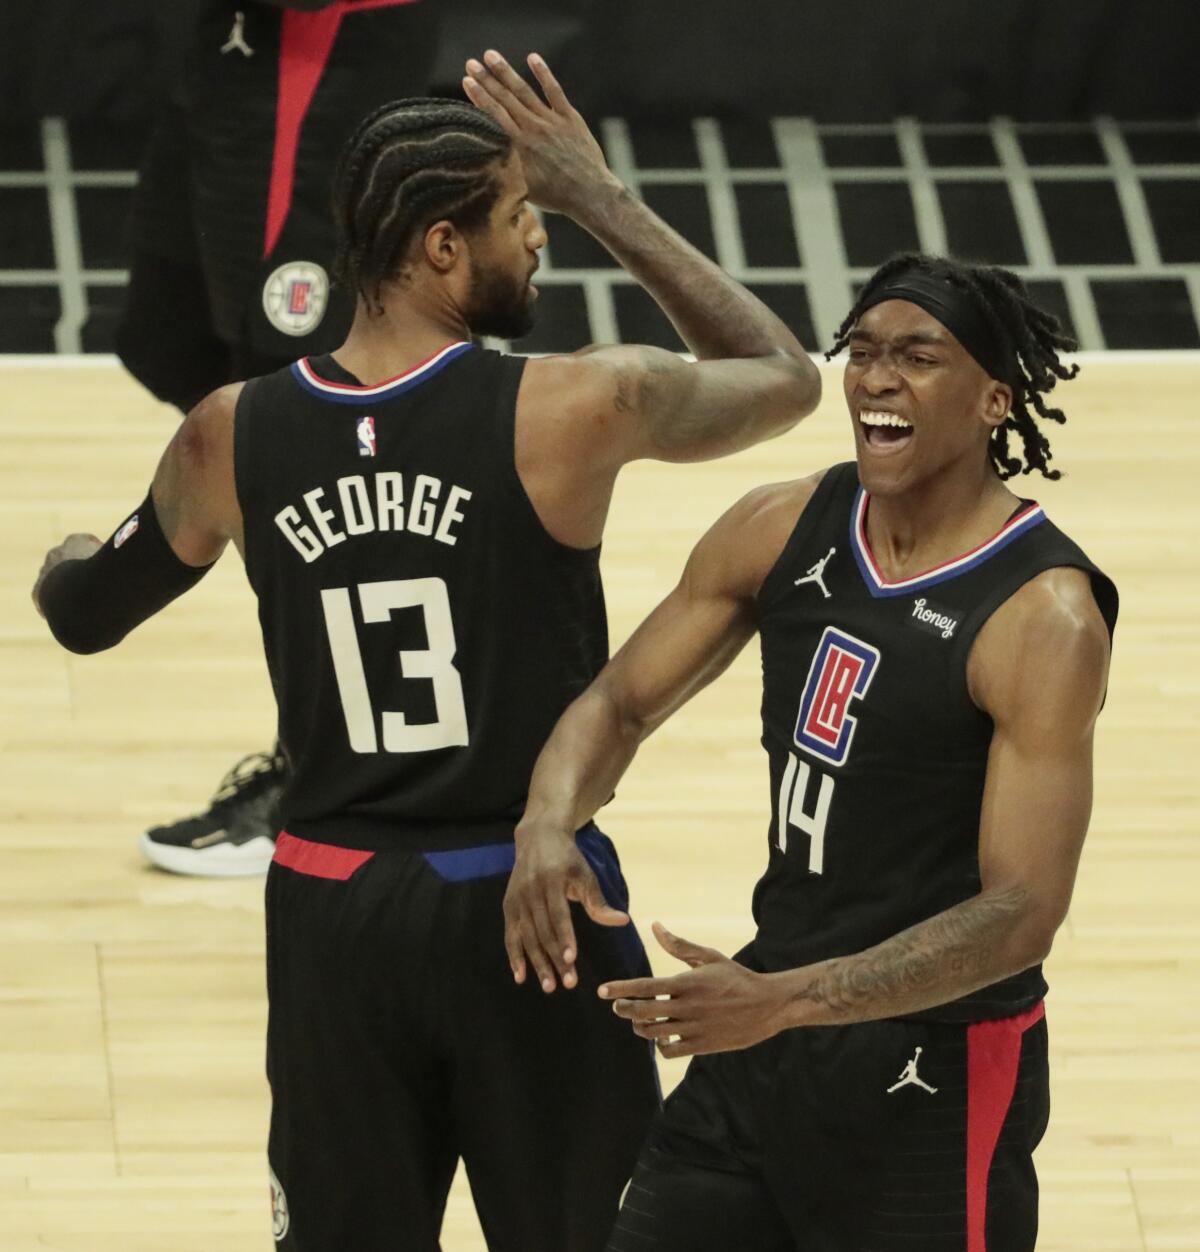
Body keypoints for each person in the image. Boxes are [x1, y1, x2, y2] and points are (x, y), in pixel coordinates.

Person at [33, 52, 821, 1251]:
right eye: (520, 219)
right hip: (529, 897)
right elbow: (785, 375)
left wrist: (69, 553)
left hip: (331, 908)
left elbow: (85, 612)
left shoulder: (228, 433)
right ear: (444, 249)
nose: (536, 241)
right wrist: (605, 199)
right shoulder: (574, 404)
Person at [504, 253, 1118, 1251]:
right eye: (864, 352)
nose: (877, 378)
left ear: (993, 398)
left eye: (918, 357)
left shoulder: (1043, 614)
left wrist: (783, 1003)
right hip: (765, 1029)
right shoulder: (781, 523)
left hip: (936, 1061)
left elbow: (1020, 916)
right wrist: (547, 819)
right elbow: (619, 701)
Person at [118, 0, 441, 876]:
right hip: (232, 48)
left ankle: (331, 783)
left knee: (314, 421)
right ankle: (402, 687)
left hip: (326, 42)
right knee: (165, 339)